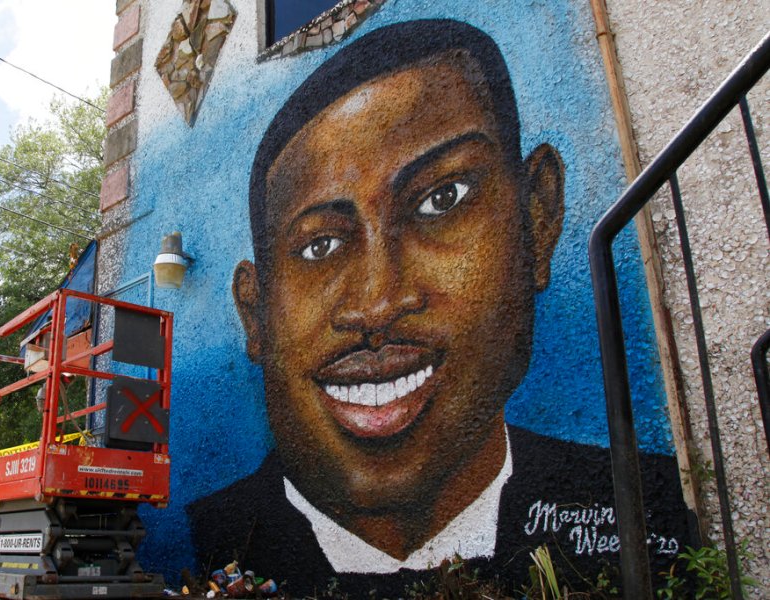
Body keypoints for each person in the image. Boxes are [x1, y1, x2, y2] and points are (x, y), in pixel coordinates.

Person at [188, 19, 690, 596]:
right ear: (256, 315)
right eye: (318, 246)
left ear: (536, 219)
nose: (378, 302)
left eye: (440, 200)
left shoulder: (646, 504)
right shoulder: (206, 537)